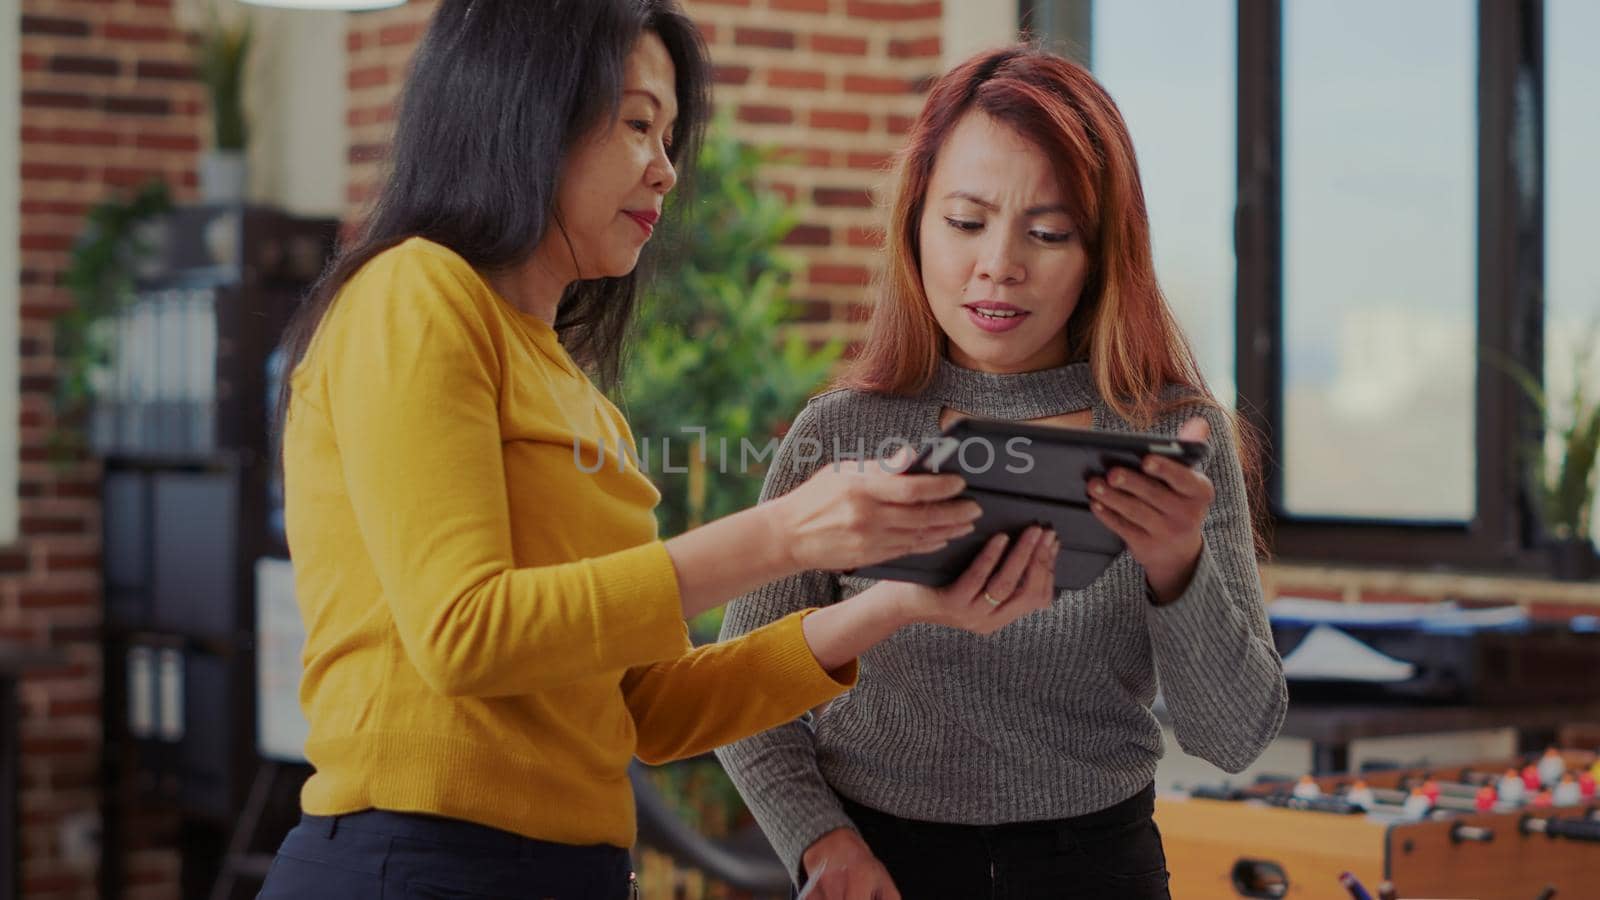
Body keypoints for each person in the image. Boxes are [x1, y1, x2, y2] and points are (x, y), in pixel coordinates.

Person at [257, 4, 1062, 899]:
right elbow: (465, 635)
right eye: (639, 123)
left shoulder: (577, 395)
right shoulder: (414, 291)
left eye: (671, 135)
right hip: (415, 868)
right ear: (526, 109)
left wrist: (894, 604)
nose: (666, 169)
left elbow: (649, 710)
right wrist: (785, 536)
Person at [717, 44, 1289, 900]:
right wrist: (822, 843)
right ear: (915, 223)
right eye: (966, 221)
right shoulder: (840, 434)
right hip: (881, 871)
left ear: (1101, 253)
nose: (1000, 264)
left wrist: (1179, 568)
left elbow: (1236, 735)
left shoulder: (1171, 439)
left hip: (1099, 872)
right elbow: (739, 690)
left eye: (1048, 232)